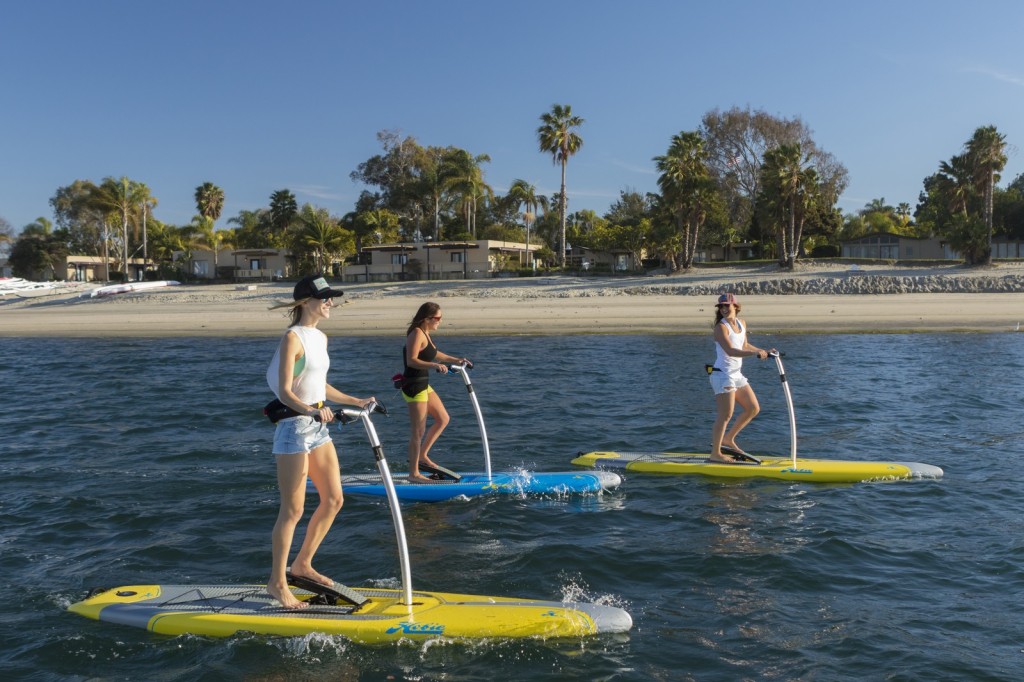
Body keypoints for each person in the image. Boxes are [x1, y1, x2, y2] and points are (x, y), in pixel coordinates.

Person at [265, 274, 375, 609]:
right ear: (304, 303)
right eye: (324, 297)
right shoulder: (292, 338)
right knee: (293, 509)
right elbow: (286, 390)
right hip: (295, 429)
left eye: (330, 297)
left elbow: (321, 386)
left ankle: (302, 564)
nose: (330, 302)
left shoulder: (321, 338)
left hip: (318, 427)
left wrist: (355, 401)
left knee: (334, 500)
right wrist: (311, 411)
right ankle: (277, 583)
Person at [401, 302, 470, 483]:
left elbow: (435, 353)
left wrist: (456, 359)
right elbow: (411, 360)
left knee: (443, 418)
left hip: (423, 383)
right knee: (418, 432)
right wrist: (435, 366)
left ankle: (423, 456)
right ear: (427, 318)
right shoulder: (416, 333)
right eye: (438, 318)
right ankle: (414, 474)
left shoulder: (426, 334)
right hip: (414, 385)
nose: (440, 321)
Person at [708, 293, 776, 463]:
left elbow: (744, 345)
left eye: (727, 306)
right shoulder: (720, 328)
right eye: (721, 307)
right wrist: (755, 354)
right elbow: (731, 351)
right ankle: (715, 453)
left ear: (736, 307)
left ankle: (728, 439)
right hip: (722, 375)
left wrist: (765, 351)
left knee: (753, 408)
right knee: (726, 414)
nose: (724, 309)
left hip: (736, 374)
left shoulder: (741, 323)